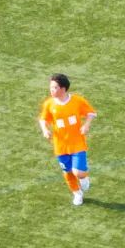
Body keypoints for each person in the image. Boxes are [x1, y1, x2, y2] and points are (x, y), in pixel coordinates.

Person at [38, 73, 97, 206]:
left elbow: (91, 112)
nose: (51, 90)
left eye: (54, 87)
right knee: (68, 172)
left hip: (77, 143)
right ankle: (77, 194)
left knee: (78, 172)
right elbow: (43, 119)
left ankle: (83, 178)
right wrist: (45, 130)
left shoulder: (77, 101)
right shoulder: (49, 104)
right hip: (60, 146)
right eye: (51, 87)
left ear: (63, 88)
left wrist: (86, 125)